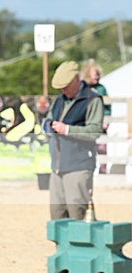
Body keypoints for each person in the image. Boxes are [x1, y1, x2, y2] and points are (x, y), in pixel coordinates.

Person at [43, 61, 104, 220]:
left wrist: (68, 130)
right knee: (57, 216)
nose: (63, 90)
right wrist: (48, 126)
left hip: (79, 167)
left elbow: (95, 130)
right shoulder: (59, 100)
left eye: (66, 86)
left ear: (76, 79)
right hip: (57, 167)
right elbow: (48, 119)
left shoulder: (93, 100)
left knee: (78, 214)